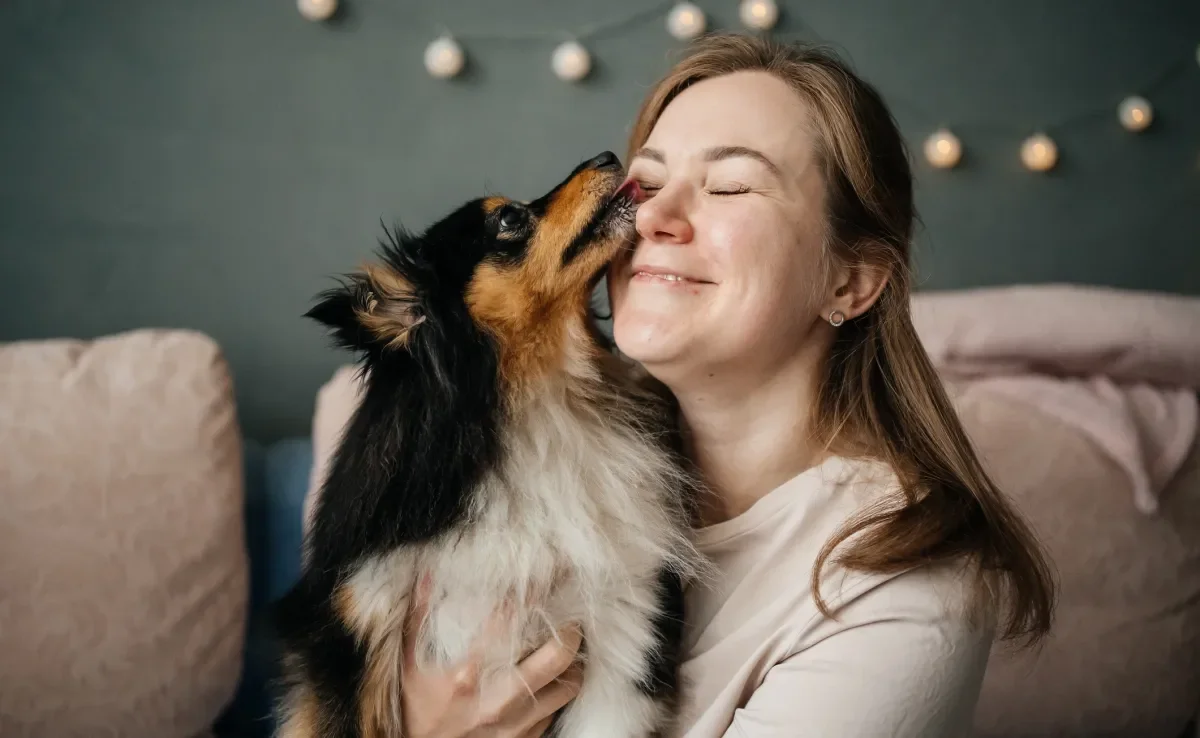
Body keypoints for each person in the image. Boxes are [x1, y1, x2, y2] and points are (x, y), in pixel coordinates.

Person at [399, 33, 1056, 737]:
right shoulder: (510, 461)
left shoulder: (908, 585)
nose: (648, 217)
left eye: (731, 185)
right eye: (645, 185)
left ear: (852, 279)